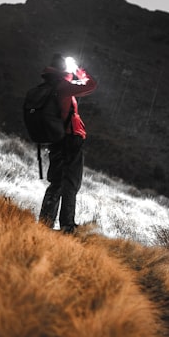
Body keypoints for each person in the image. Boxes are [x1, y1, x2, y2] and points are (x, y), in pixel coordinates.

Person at [37, 54, 98, 234]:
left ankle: (45, 223)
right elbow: (91, 85)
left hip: (56, 141)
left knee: (57, 181)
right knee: (71, 182)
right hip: (69, 140)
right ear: (63, 70)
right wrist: (79, 69)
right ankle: (67, 226)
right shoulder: (63, 86)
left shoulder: (49, 86)